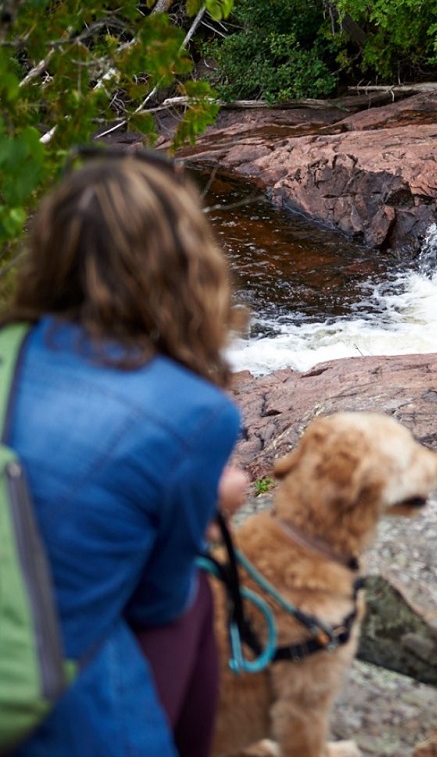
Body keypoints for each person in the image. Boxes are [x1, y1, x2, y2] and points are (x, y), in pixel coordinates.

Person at [5, 151, 245, 756]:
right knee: (191, 598)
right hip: (39, 703)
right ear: (183, 262)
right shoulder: (197, 412)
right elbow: (157, 600)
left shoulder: (10, 345)